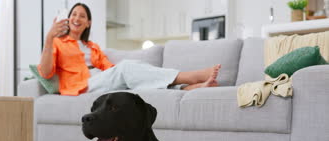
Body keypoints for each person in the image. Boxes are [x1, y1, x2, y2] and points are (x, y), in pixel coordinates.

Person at [38, 3, 221, 96]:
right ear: (68, 19)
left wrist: (128, 75)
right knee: (126, 68)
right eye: (74, 14)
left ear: (88, 23)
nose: (77, 18)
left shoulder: (92, 47)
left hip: (99, 79)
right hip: (80, 86)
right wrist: (49, 38)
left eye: (82, 16)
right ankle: (191, 76)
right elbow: (46, 73)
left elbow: (109, 69)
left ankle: (187, 89)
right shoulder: (57, 43)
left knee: (132, 75)